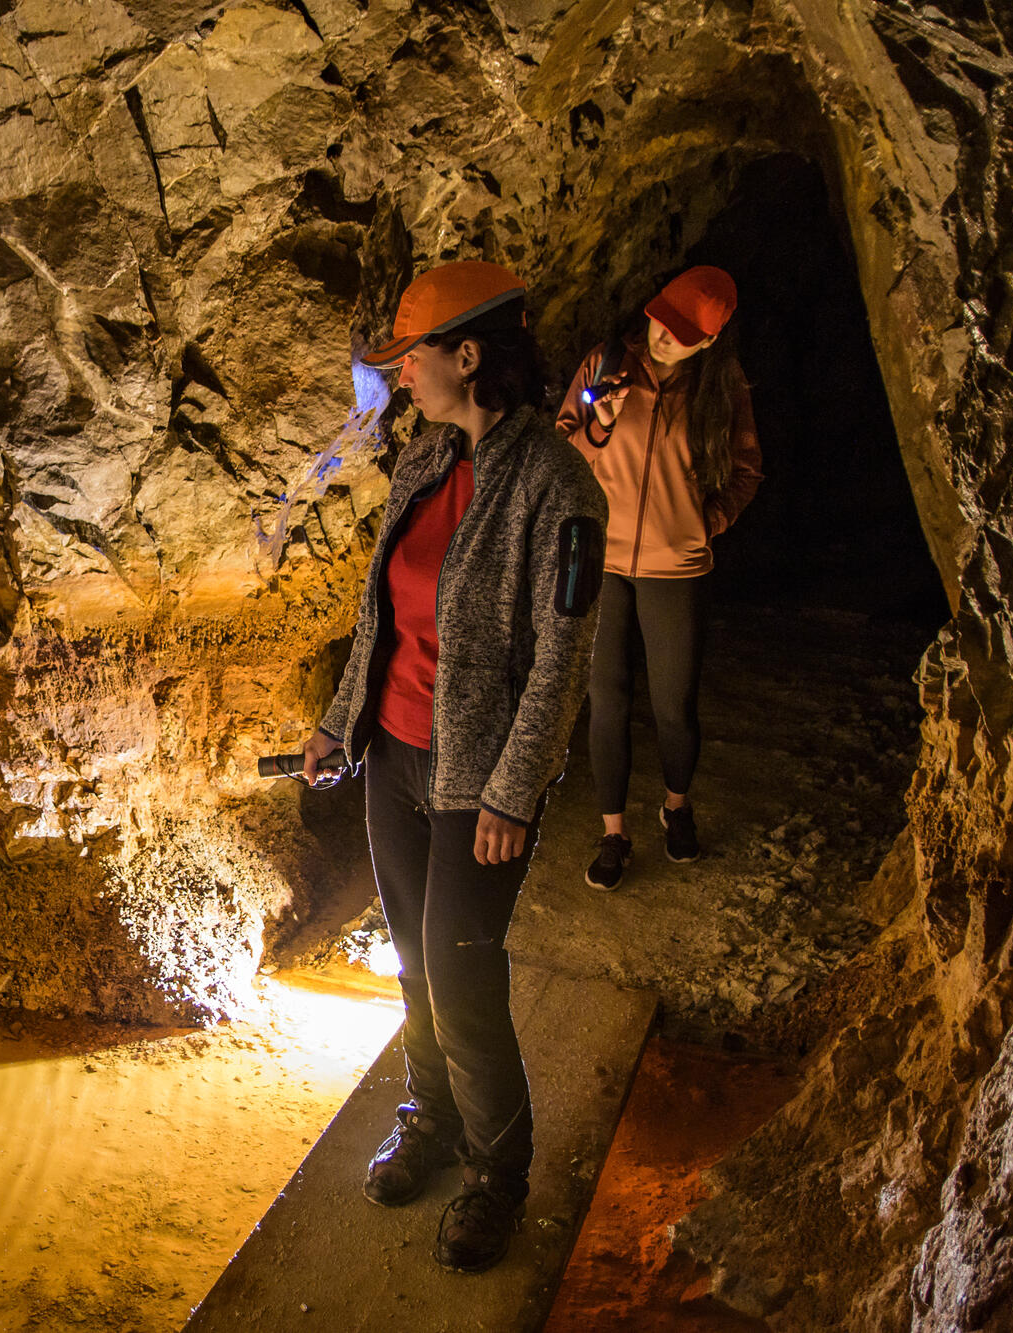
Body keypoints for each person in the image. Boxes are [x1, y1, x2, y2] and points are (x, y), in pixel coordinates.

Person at [298, 260, 607, 1273]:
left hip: (476, 781)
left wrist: (514, 793)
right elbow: (376, 616)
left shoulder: (556, 485)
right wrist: (339, 725)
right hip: (392, 755)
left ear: (466, 355)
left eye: (414, 355)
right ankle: (426, 1118)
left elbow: (560, 660)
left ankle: (495, 1176)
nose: (402, 377)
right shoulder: (426, 464)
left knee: (461, 978)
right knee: (408, 958)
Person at [555, 265, 763, 890]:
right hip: (602, 559)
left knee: (674, 707)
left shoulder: (720, 389)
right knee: (607, 701)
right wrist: (602, 422)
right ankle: (614, 832)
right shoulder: (606, 364)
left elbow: (748, 468)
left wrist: (708, 522)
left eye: (680, 335)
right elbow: (564, 451)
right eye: (659, 322)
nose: (662, 338)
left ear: (708, 342)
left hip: (677, 566)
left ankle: (676, 807)